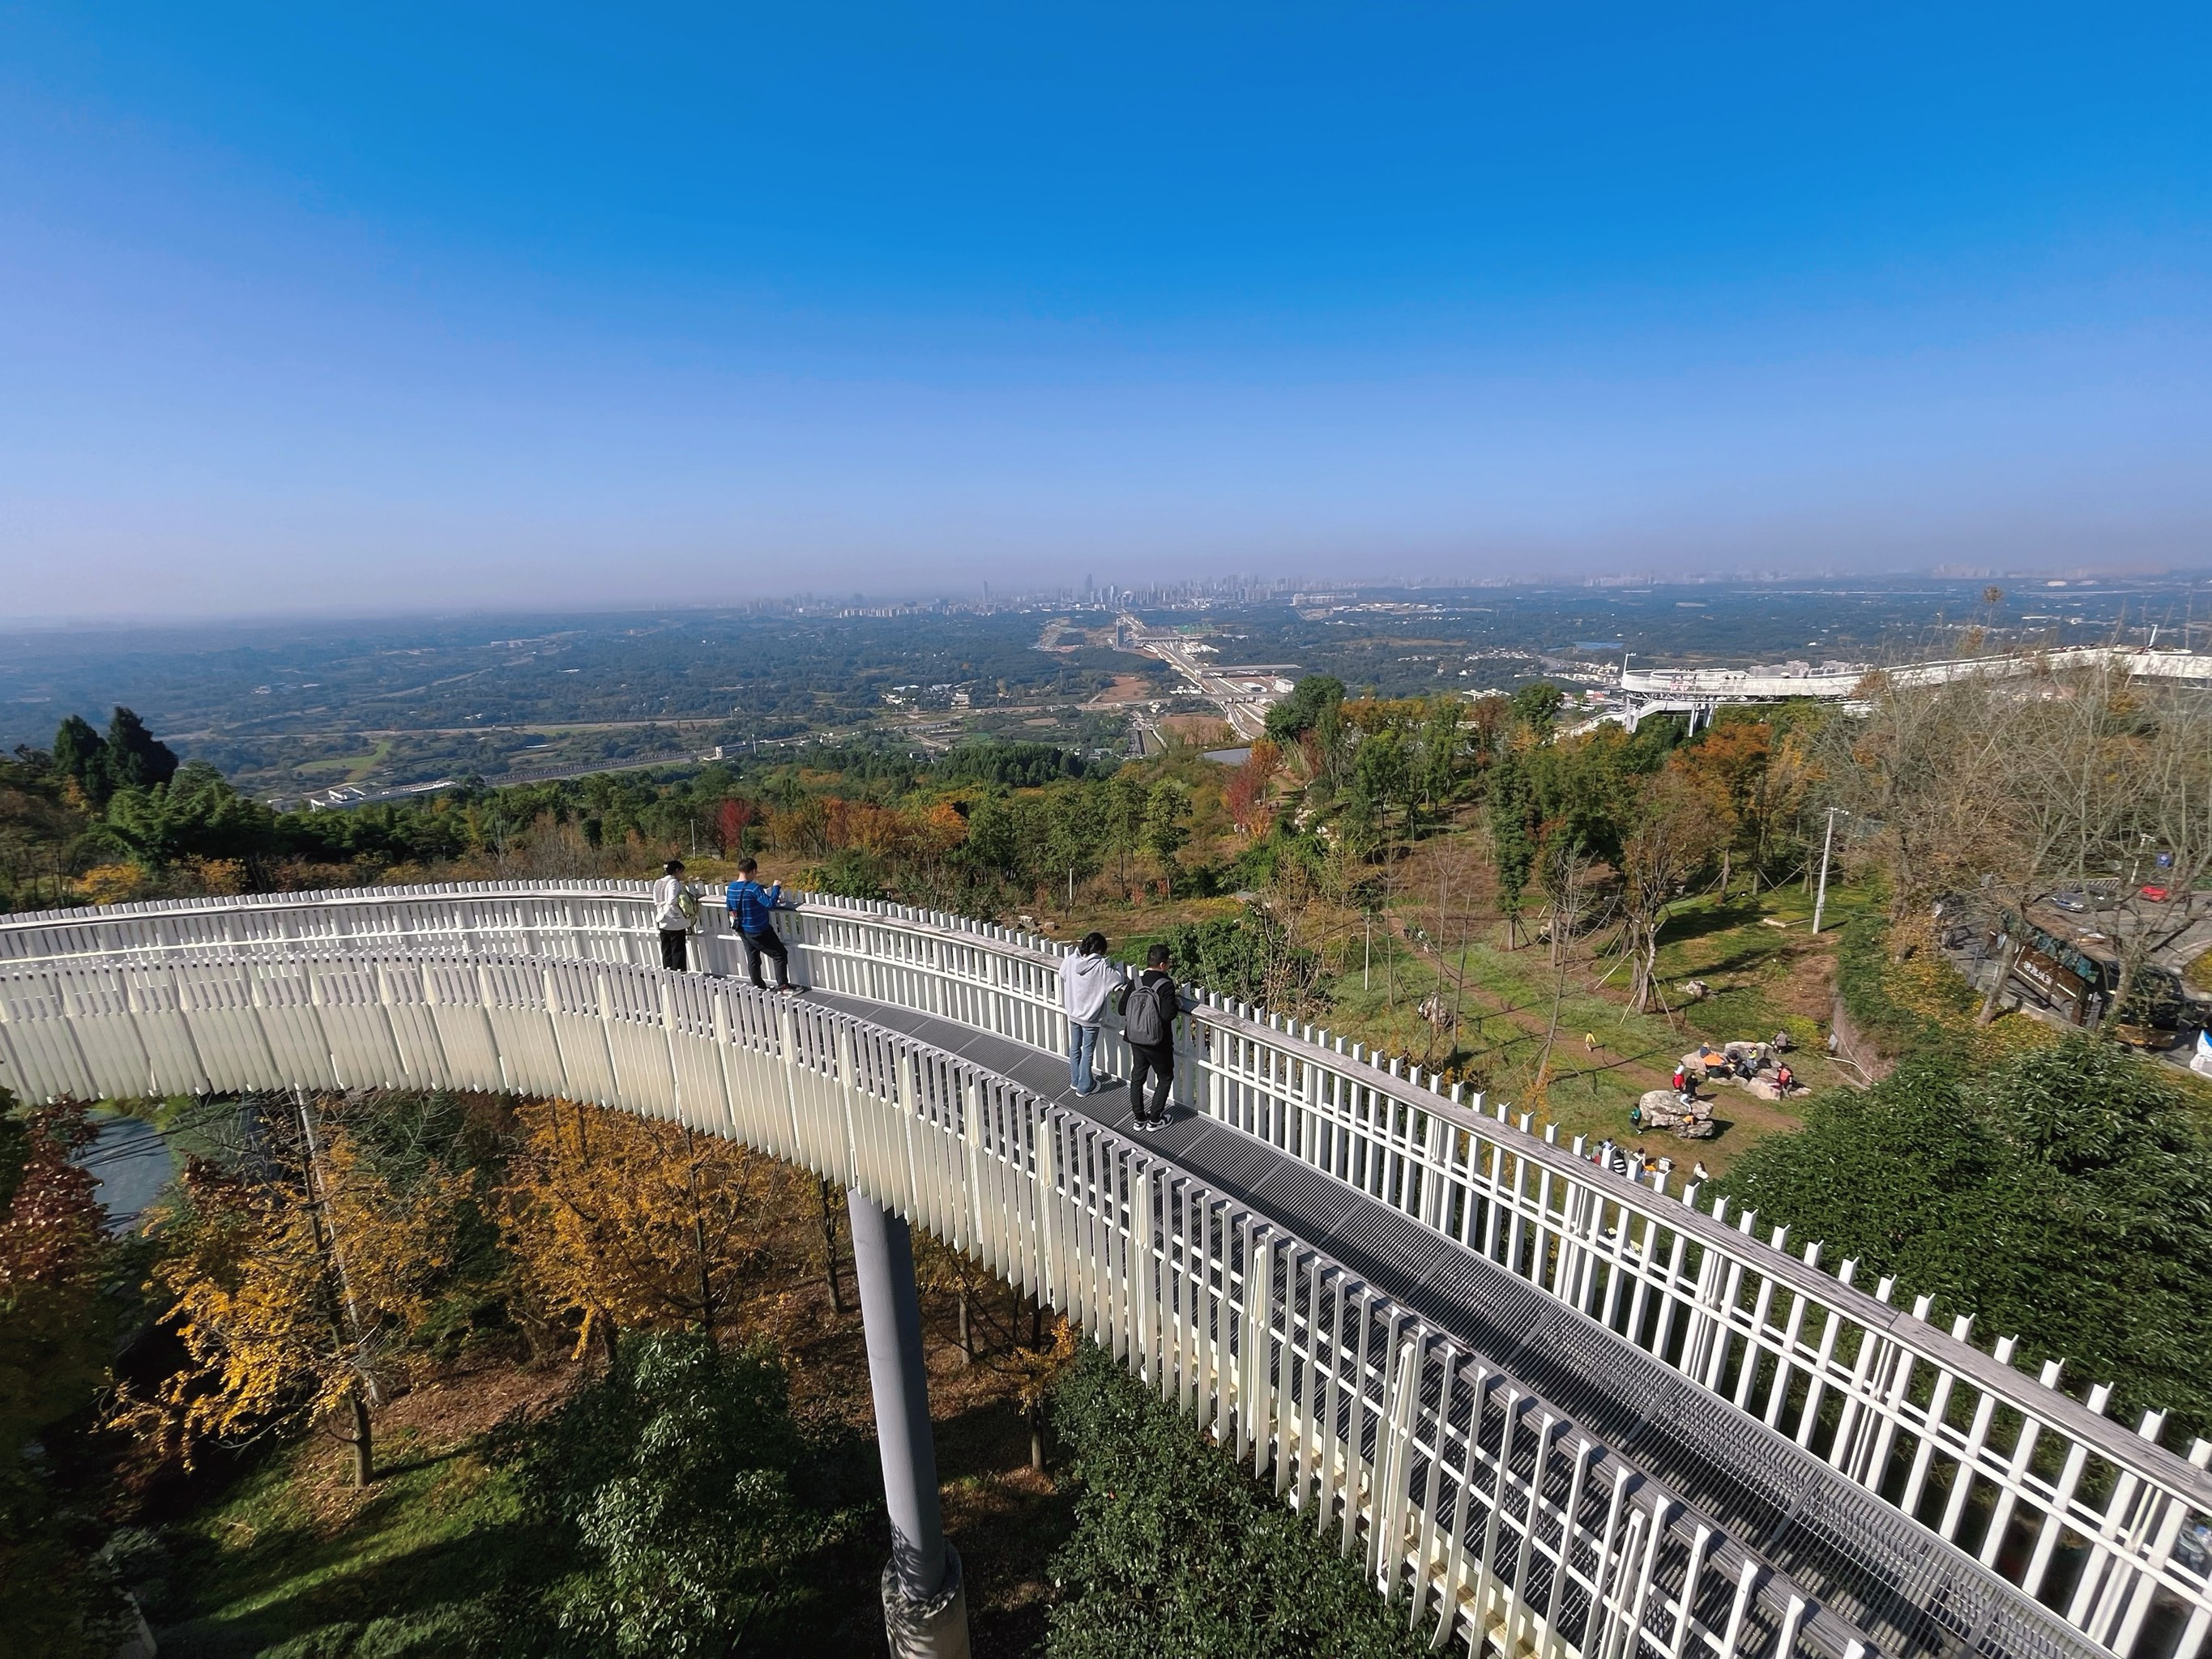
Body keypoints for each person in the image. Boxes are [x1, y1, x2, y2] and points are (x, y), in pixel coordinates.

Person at [1115, 942, 1182, 1130]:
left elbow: (1121, 1009)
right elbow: (1168, 1015)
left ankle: (1139, 1118)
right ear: (1162, 965)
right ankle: (1155, 1118)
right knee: (1165, 1076)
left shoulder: (1135, 982)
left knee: (1138, 1075)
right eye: (1168, 963)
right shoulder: (1166, 985)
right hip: (1157, 1041)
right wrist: (1177, 1004)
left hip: (1135, 1037)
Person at [725, 857, 800, 992]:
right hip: (759, 929)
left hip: (742, 928)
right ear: (752, 871)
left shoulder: (731, 888)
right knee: (780, 954)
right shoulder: (754, 888)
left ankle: (758, 987)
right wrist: (776, 887)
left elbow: (730, 909)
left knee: (753, 958)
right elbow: (770, 904)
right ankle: (783, 986)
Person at [1061, 932, 1119, 1096]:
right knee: (1087, 1051)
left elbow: (1062, 973)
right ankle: (1085, 1086)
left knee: (1075, 1048)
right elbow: (1117, 980)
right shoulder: (1101, 967)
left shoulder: (1072, 960)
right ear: (1100, 951)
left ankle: (1075, 1080)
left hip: (1073, 1012)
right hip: (1090, 1016)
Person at [652, 859, 695, 971]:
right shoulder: (674, 882)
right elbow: (671, 900)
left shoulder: (659, 882)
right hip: (674, 920)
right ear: (677, 870)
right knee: (678, 950)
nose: (682, 875)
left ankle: (668, 972)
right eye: (681, 871)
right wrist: (682, 898)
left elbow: (657, 900)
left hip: (662, 918)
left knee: (666, 949)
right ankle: (680, 974)